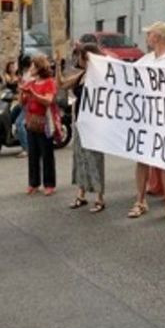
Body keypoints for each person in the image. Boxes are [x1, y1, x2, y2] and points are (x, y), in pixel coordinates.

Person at [128, 21, 165, 225]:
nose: (147, 37)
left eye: (150, 34)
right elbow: (124, 75)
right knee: (142, 161)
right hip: (146, 118)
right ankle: (140, 200)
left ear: (159, 37)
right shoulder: (145, 60)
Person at [56, 43, 106, 213]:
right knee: (80, 159)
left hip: (94, 125)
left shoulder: (99, 75)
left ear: (88, 57)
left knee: (94, 160)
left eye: (80, 56)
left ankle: (99, 197)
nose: (78, 59)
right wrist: (57, 65)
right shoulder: (81, 75)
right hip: (80, 122)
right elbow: (61, 84)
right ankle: (81, 194)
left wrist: (90, 54)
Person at [21, 55, 58, 196]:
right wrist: (22, 92)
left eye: (33, 66)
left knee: (46, 153)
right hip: (31, 121)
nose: (30, 69)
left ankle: (49, 184)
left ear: (39, 68)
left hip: (45, 122)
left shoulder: (49, 82)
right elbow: (22, 103)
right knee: (33, 154)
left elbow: (48, 101)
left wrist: (33, 93)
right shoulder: (31, 82)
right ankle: (33, 183)